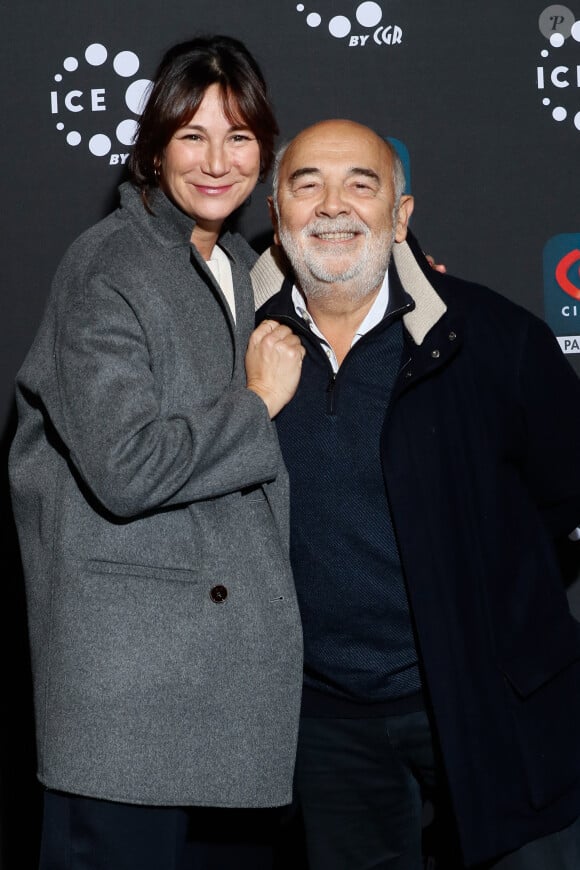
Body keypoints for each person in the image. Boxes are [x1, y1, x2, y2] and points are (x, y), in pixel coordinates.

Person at [8, 36, 305, 870]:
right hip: (132, 691)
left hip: (227, 684)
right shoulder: (106, 265)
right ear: (152, 145)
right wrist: (255, 405)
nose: (218, 161)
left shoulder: (242, 264)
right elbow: (127, 465)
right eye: (193, 136)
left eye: (240, 137)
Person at [252, 119, 580, 869]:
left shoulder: (491, 338)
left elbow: (564, 492)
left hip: (488, 699)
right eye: (307, 185)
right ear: (276, 214)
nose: (333, 207)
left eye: (361, 185)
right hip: (325, 721)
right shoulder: (232, 342)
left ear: (400, 216)